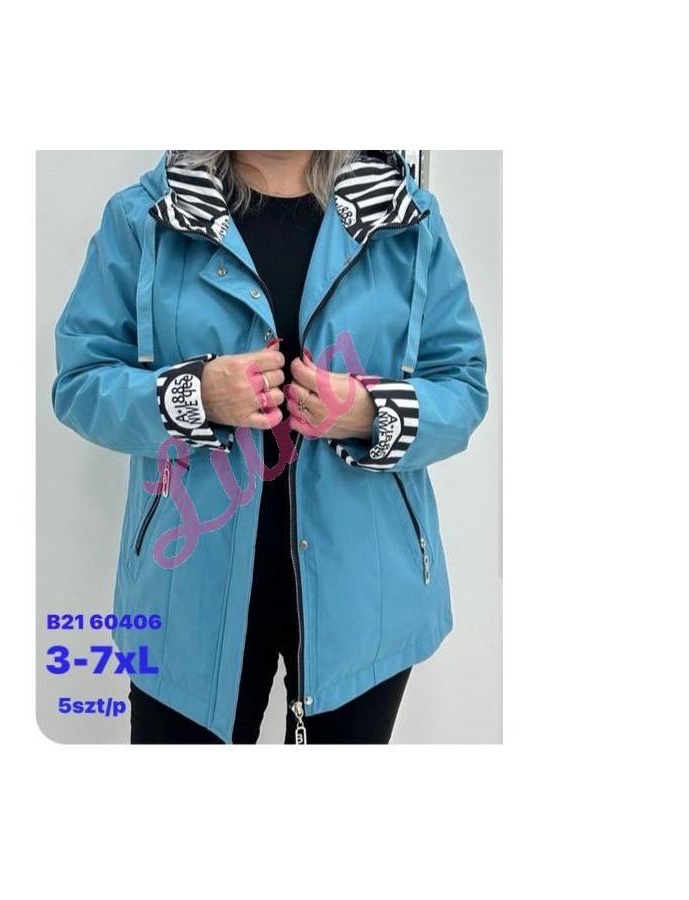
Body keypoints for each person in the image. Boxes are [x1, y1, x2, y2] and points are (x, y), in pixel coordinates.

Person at [53, 150, 488, 743]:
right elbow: (81, 382)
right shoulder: (147, 216)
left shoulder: (403, 217)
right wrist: (195, 395)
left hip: (366, 597)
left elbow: (462, 384)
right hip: (186, 597)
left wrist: (371, 412)